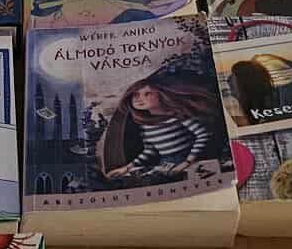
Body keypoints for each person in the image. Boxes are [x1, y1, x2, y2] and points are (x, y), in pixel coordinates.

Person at [97, 72, 226, 186]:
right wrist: (127, 167)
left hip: (189, 160)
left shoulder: (178, 116)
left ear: (161, 94)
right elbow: (150, 150)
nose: (138, 99)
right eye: (135, 94)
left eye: (147, 94)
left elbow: (203, 135)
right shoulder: (145, 125)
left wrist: (187, 161)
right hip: (165, 163)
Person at [228, 53, 292, 122]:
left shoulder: (286, 93)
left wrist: (276, 58)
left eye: (232, 85)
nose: (231, 91)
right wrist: (277, 58)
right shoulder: (253, 104)